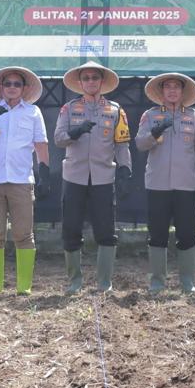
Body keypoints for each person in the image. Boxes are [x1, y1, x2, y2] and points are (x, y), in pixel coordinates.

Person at [0, 66, 50, 295]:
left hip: (21, 180)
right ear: (1, 87)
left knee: (24, 234)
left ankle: (24, 286)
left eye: (17, 84)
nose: (12, 87)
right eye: (8, 84)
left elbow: (41, 144)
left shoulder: (33, 112)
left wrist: (44, 173)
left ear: (24, 88)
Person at [53, 60, 132, 294]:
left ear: (101, 81)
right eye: (85, 78)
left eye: (94, 77)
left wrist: (125, 170)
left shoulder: (116, 110)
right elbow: (58, 139)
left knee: (106, 231)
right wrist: (75, 132)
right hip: (74, 177)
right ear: (80, 83)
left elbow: (122, 144)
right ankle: (74, 281)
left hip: (104, 178)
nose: (90, 82)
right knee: (71, 229)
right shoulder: (68, 109)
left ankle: (104, 283)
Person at [135, 72, 195, 294]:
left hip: (186, 185)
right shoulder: (150, 115)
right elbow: (140, 143)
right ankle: (157, 281)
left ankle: (187, 282)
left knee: (187, 233)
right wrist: (155, 132)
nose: (172, 90)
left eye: (176, 86)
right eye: (167, 86)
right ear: (162, 91)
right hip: (157, 184)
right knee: (157, 234)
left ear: (182, 91)